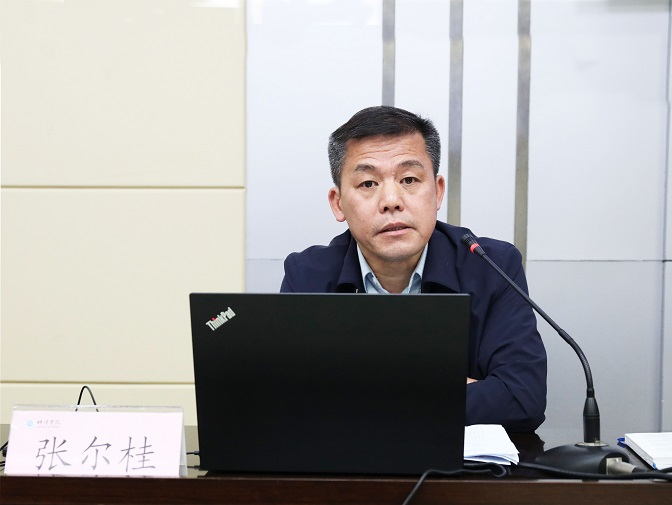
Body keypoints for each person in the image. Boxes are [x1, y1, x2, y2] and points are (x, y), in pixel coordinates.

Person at [280, 105, 546, 432]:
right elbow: (289, 400)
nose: (391, 200)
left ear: (437, 191)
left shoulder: (491, 266)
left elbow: (522, 398)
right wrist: (444, 388)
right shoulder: (307, 275)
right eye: (368, 184)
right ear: (338, 203)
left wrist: (358, 394)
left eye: (409, 179)